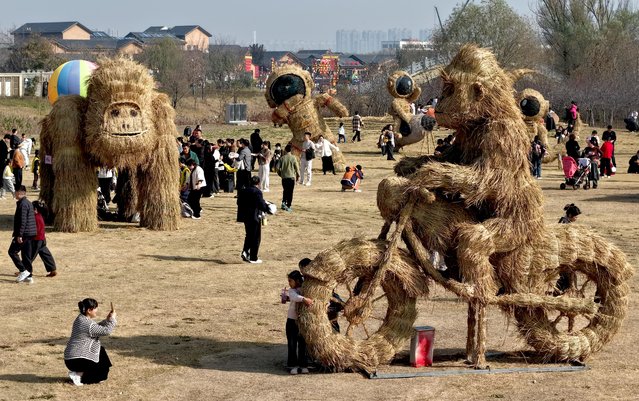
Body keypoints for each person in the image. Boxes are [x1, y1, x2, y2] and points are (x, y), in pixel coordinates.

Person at [64, 298, 117, 386]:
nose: (97, 310)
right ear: (89, 310)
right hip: (77, 359)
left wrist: (108, 320)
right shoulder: (87, 324)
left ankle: (79, 374)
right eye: (95, 308)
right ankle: (78, 376)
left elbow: (96, 328)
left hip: (72, 358)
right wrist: (112, 320)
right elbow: (106, 331)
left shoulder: (81, 319)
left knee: (101, 351)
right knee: (101, 376)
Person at [283, 270, 313, 374]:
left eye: (290, 280)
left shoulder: (305, 289)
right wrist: (304, 299)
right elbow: (294, 297)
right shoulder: (292, 291)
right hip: (292, 321)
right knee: (292, 344)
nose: (289, 283)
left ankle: (303, 364)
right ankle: (292, 365)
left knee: (303, 344)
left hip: (303, 321)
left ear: (297, 280)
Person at [237, 175, 271, 264]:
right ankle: (253, 257)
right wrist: (268, 208)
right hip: (254, 216)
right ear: (258, 183)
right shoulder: (257, 192)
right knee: (256, 237)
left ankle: (245, 251)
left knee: (249, 235)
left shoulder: (243, 191)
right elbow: (261, 204)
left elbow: (238, 202)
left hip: (245, 217)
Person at [11, 186, 37, 283]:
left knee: (12, 252)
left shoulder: (23, 204)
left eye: (15, 191)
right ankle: (29, 276)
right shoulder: (28, 203)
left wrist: (19, 235)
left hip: (24, 233)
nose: (14, 193)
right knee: (26, 255)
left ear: (20, 192)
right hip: (30, 233)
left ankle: (23, 270)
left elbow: (23, 220)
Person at [556, 203, 581, 292]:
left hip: (567, 253)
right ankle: (559, 292)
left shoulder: (568, 222)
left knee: (570, 275)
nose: (576, 219)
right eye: (576, 217)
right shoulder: (563, 223)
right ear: (570, 215)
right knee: (566, 275)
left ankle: (565, 292)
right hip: (562, 253)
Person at [31, 201, 57, 277]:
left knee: (29, 255)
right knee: (45, 254)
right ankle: (52, 269)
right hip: (42, 239)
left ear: (35, 209)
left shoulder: (35, 217)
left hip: (37, 239)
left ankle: (24, 270)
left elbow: (35, 230)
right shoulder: (40, 216)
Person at [277, 144, 299, 212]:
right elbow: (297, 169)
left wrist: (280, 174)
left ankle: (283, 203)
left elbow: (277, 168)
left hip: (284, 178)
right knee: (290, 192)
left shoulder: (282, 158)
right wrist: (298, 177)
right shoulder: (293, 158)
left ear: (285, 150)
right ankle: (288, 205)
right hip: (291, 177)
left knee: (285, 191)